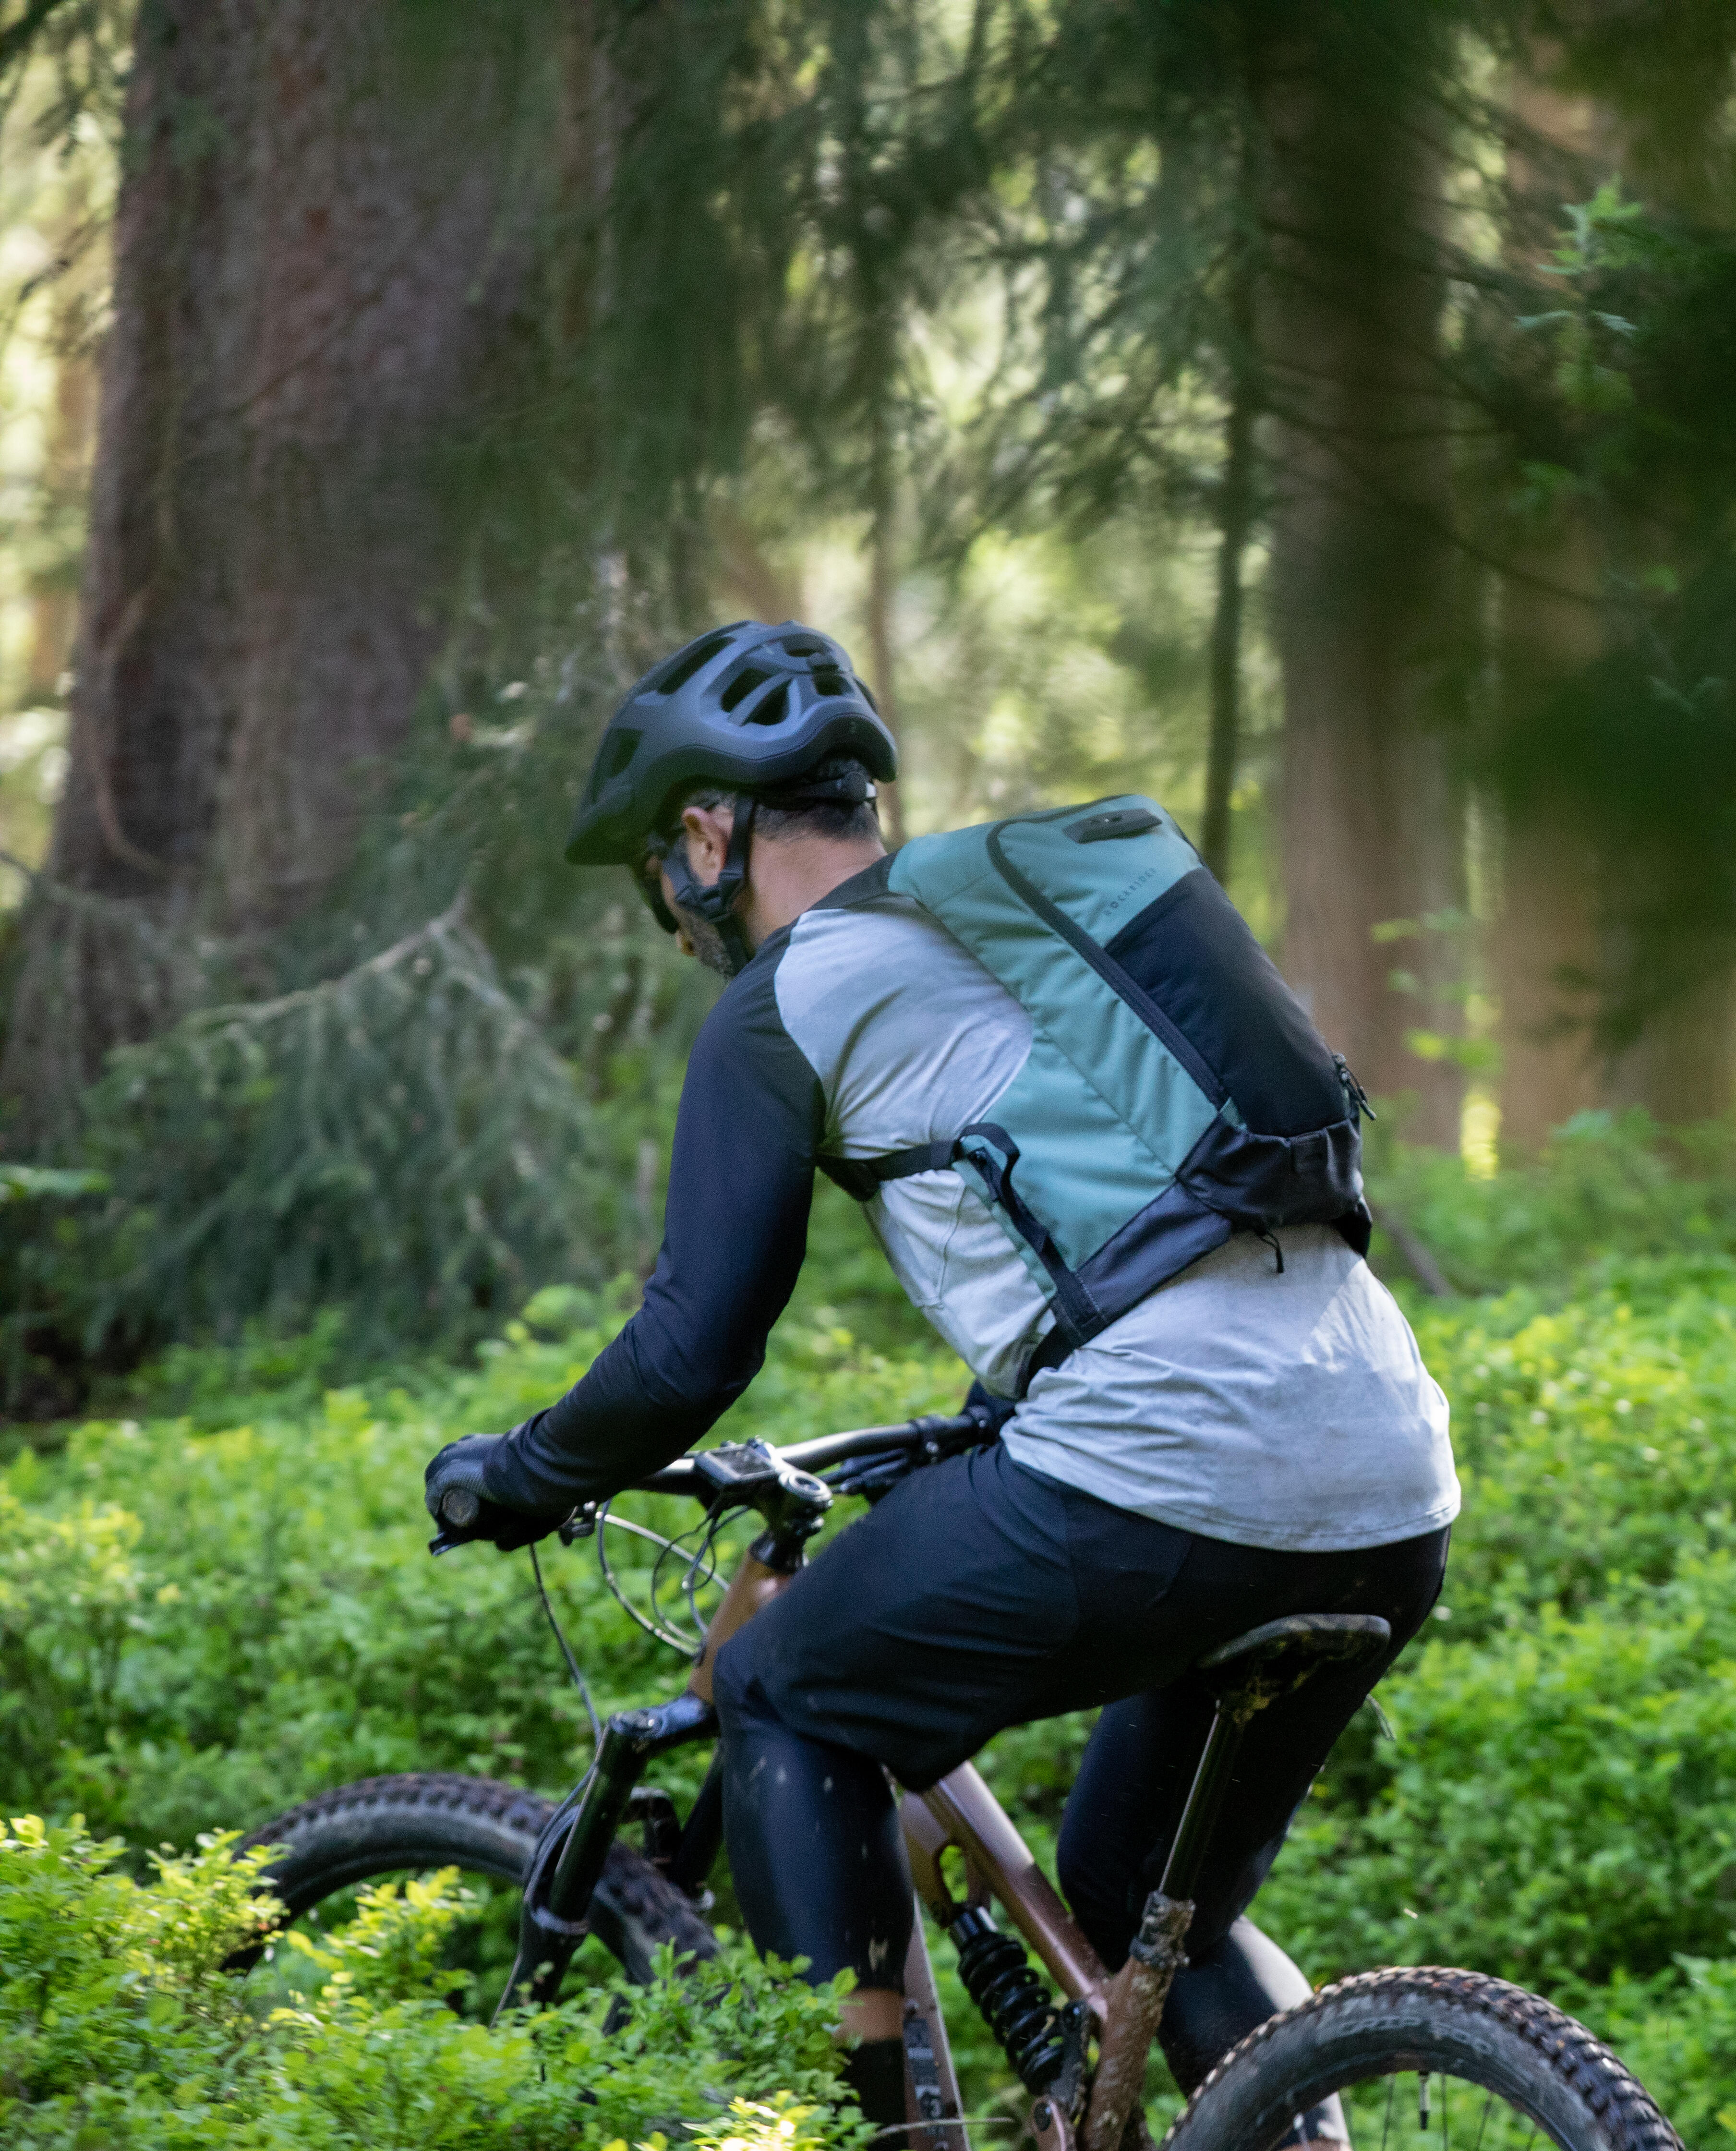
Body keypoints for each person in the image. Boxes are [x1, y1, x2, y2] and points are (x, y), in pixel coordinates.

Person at [422, 621, 1456, 2138]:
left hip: (1165, 1467)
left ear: (712, 833)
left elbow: (692, 1346)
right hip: (1390, 1472)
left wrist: (520, 1472)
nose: (669, 904)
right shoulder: (1018, 927)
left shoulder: (790, 999)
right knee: (1131, 1903)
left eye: (661, 864)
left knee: (785, 1688)